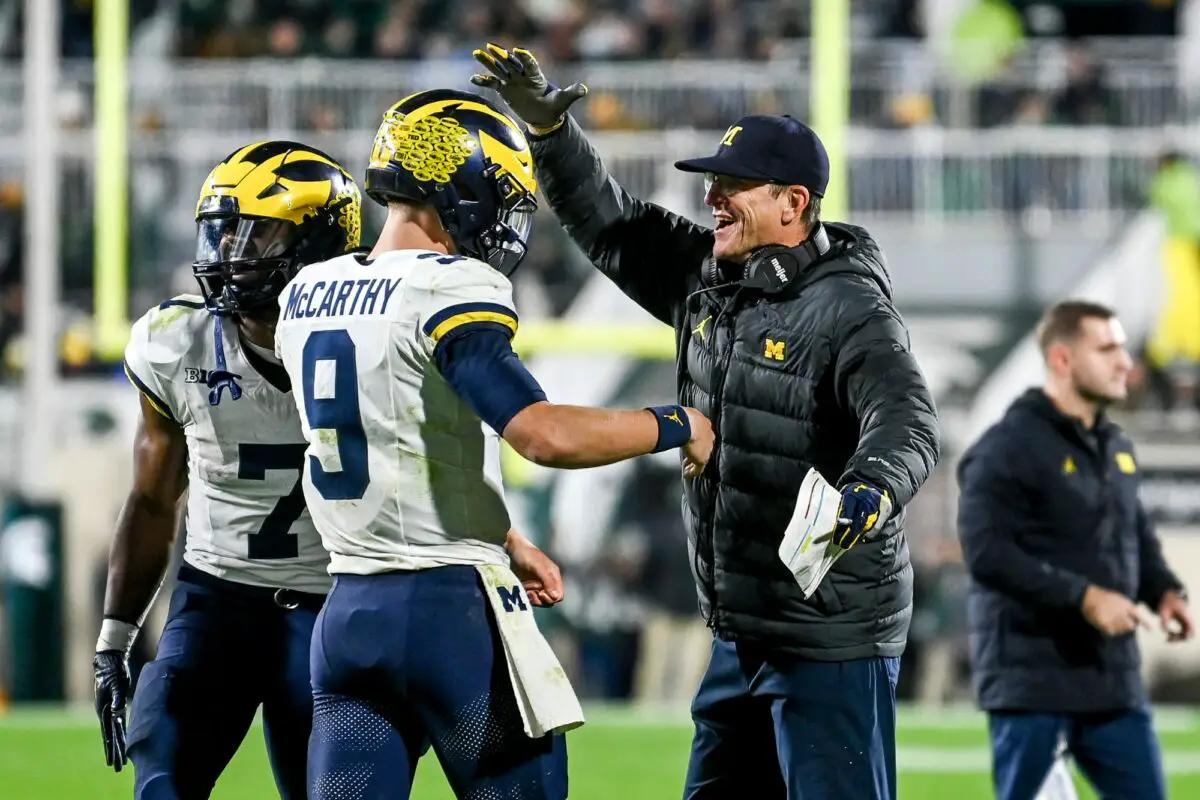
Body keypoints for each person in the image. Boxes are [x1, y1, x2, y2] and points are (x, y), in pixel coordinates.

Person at [472, 45, 940, 800]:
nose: (714, 198)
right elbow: (613, 225)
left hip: (829, 635)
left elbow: (908, 421)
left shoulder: (849, 307)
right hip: (740, 632)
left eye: (734, 186)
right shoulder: (710, 280)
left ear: (795, 202)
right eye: (713, 183)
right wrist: (550, 136)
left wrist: (869, 491)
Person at [272, 88, 715, 800]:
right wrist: (676, 424)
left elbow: (394, 439)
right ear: (461, 182)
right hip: (449, 618)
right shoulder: (449, 288)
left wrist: (504, 536)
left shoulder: (308, 292)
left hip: (348, 616)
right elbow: (540, 435)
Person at [90, 139, 564, 798]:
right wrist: (115, 636)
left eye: (258, 233)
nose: (231, 251)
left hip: (330, 602)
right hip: (217, 600)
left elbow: (423, 463)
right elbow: (150, 500)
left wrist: (505, 541)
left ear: (319, 239)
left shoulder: (384, 328)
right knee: (161, 777)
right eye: (224, 231)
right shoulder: (179, 344)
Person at [957, 300, 1194, 800]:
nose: (1125, 363)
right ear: (1062, 360)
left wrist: (1165, 591)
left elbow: (1135, 536)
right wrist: (1086, 598)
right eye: (1107, 349)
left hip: (1111, 679)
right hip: (1032, 679)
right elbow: (987, 554)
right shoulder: (1005, 447)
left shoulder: (1117, 447)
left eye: (1123, 349)